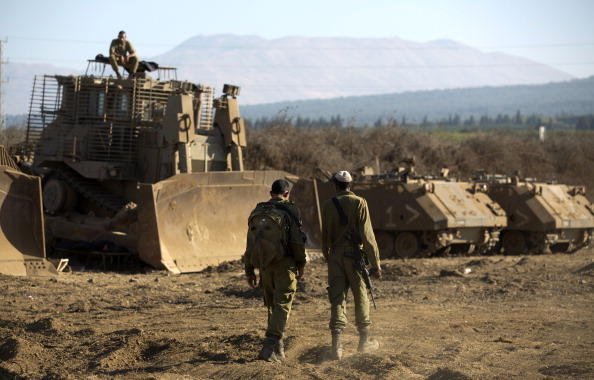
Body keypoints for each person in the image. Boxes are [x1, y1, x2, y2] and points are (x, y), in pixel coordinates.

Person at [321, 170, 382, 360]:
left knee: (337, 298)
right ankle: (364, 343)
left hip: (335, 256)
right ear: (350, 185)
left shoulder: (328, 205)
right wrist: (375, 263)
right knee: (361, 295)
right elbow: (368, 236)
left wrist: (328, 256)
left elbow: (325, 236)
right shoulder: (360, 202)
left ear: (336, 185)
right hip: (355, 257)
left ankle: (336, 348)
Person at [244, 179, 306, 363]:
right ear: (287, 194)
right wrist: (301, 264)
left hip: (264, 266)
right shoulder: (291, 210)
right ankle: (269, 345)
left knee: (272, 306)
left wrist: (249, 269)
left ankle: (278, 350)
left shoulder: (257, 211)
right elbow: (296, 241)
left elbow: (250, 244)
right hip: (284, 265)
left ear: (271, 193)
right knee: (283, 304)